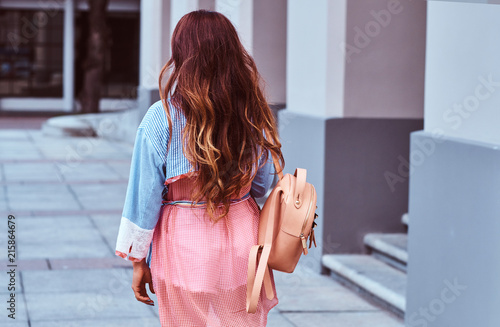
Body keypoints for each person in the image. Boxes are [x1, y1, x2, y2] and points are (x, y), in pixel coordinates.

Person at [114, 10, 284, 326]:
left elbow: (144, 196)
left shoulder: (160, 116)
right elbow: (262, 186)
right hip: (243, 239)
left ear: (181, 55)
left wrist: (138, 260)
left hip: (183, 243)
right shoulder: (253, 114)